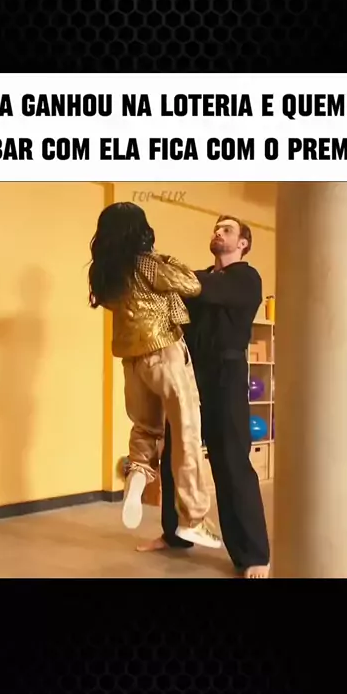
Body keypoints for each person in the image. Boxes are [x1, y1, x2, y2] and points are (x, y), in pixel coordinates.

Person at [137, 214, 271, 578]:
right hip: (189, 374)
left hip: (226, 376)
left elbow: (203, 290)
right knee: (175, 454)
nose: (218, 233)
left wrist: (169, 272)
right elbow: (170, 296)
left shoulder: (246, 278)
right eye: (216, 228)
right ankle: (175, 534)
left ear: (242, 243)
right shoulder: (199, 277)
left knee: (231, 463)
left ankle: (254, 554)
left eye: (227, 230)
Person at [88, 201, 219, 549]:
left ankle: (137, 477)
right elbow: (191, 284)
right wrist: (166, 257)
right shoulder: (147, 262)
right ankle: (193, 518)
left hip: (132, 362)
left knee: (145, 428)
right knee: (187, 431)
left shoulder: (106, 272)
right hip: (164, 353)